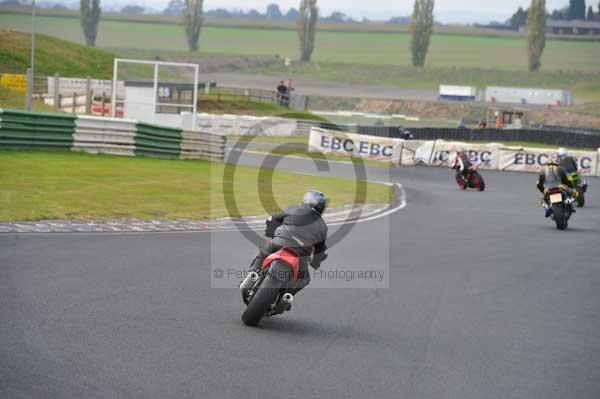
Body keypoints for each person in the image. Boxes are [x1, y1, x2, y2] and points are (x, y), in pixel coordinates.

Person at [249, 190, 328, 295]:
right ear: (322, 207)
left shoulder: (293, 208)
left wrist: (270, 232)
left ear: (305, 200)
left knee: (263, 251)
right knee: (304, 279)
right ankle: (286, 295)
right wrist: (315, 263)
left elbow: (271, 219)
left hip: (280, 242)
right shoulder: (323, 226)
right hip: (302, 253)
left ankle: (253, 273)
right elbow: (320, 251)